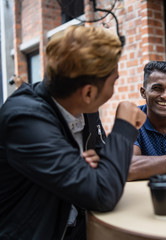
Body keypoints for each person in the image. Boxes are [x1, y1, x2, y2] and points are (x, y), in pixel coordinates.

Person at [0, 25, 146, 239]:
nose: (115, 87)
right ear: (88, 92)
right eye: (114, 80)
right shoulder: (24, 119)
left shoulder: (84, 109)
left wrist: (96, 166)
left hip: (78, 224)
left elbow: (104, 165)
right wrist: (124, 126)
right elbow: (103, 193)